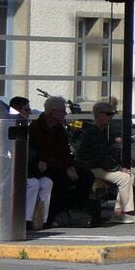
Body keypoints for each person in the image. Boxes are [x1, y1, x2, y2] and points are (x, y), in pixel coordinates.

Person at [29, 95, 94, 226]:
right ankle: (54, 215)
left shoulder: (60, 129)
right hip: (45, 166)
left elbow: (65, 152)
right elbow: (44, 155)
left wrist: (71, 167)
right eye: (62, 110)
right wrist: (66, 169)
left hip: (60, 165)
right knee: (61, 179)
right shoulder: (36, 129)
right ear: (52, 112)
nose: (65, 112)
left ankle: (75, 210)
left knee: (87, 176)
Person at [76, 101, 135, 223]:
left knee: (127, 176)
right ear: (98, 115)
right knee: (125, 177)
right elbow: (102, 157)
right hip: (89, 167)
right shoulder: (94, 132)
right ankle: (122, 213)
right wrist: (119, 168)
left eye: (112, 114)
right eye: (108, 114)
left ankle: (120, 211)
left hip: (94, 166)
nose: (111, 117)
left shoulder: (100, 131)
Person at [10, 96, 53, 231]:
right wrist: (36, 164)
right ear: (16, 110)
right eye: (27, 110)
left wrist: (42, 162)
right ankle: (26, 219)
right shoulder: (11, 125)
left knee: (47, 182)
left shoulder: (26, 127)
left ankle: (41, 220)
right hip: (16, 170)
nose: (29, 113)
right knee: (33, 183)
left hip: (29, 168)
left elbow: (34, 150)